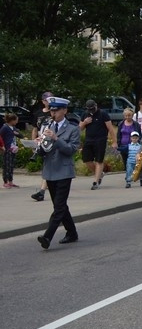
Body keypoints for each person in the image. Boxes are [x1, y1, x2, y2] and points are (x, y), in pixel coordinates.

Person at [35, 97, 79, 249]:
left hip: (64, 171)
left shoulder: (73, 129)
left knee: (59, 207)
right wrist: (37, 144)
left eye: (56, 110)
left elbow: (70, 150)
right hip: (50, 171)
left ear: (64, 111)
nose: (53, 113)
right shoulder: (47, 126)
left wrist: (55, 138)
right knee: (60, 206)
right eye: (51, 110)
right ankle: (72, 233)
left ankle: (47, 236)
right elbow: (44, 151)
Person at [80, 99, 117, 190]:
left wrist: (114, 141)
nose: (91, 111)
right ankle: (100, 174)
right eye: (90, 110)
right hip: (89, 139)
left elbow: (110, 129)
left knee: (99, 160)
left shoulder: (103, 114)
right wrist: (85, 122)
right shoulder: (85, 114)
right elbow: (79, 128)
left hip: (100, 139)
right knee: (86, 160)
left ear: (96, 106)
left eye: (93, 109)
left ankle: (95, 182)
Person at [30, 92, 53, 201]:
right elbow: (35, 129)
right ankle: (49, 187)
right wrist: (33, 143)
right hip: (41, 140)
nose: (47, 102)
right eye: (45, 100)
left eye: (49, 99)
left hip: (51, 141)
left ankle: (42, 191)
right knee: (47, 165)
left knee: (48, 165)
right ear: (42, 101)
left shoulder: (55, 112)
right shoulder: (38, 113)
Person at [118, 109, 142, 186]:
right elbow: (118, 134)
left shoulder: (135, 124)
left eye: (129, 115)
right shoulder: (121, 124)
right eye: (126, 115)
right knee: (127, 163)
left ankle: (139, 176)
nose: (128, 117)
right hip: (124, 145)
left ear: (132, 116)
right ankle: (128, 177)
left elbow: (140, 134)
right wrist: (117, 144)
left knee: (136, 163)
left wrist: (138, 144)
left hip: (134, 146)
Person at [2, 112, 20, 188]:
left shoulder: (14, 128)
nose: (17, 122)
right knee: (7, 166)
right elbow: (1, 137)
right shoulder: (5, 128)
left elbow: (21, 135)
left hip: (14, 149)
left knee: (12, 165)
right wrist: (2, 146)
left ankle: (11, 181)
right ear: (12, 120)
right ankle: (5, 181)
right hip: (7, 148)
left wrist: (17, 133)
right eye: (16, 120)